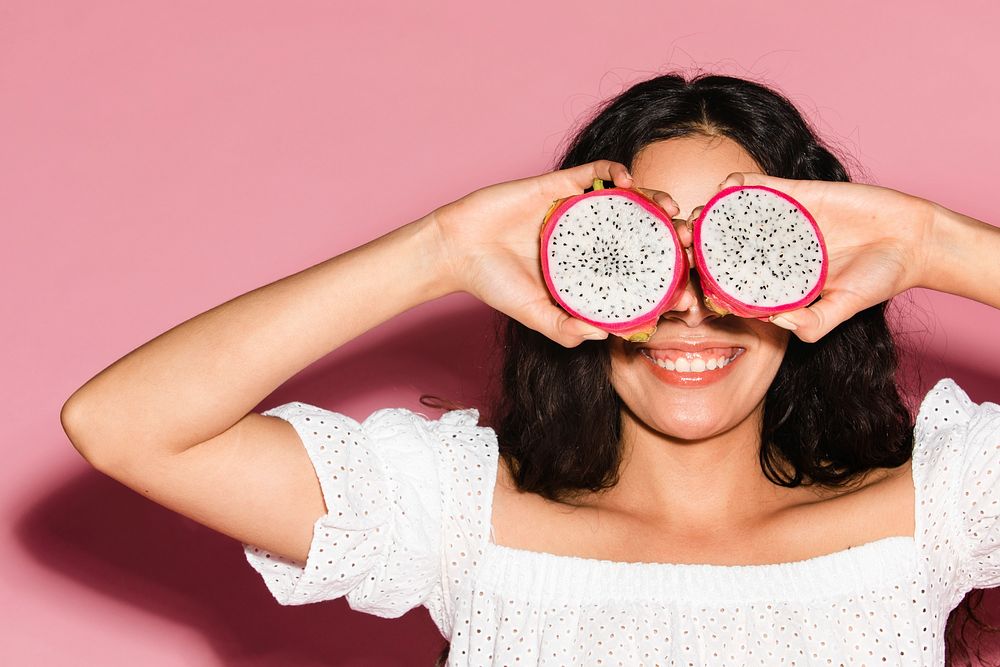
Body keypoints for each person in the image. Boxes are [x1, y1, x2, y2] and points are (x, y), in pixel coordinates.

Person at [60, 72, 1000, 666]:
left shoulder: (935, 505)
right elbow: (125, 423)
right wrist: (441, 250)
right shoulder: (460, 511)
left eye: (738, 245)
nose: (688, 301)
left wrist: (932, 244)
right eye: (642, 251)